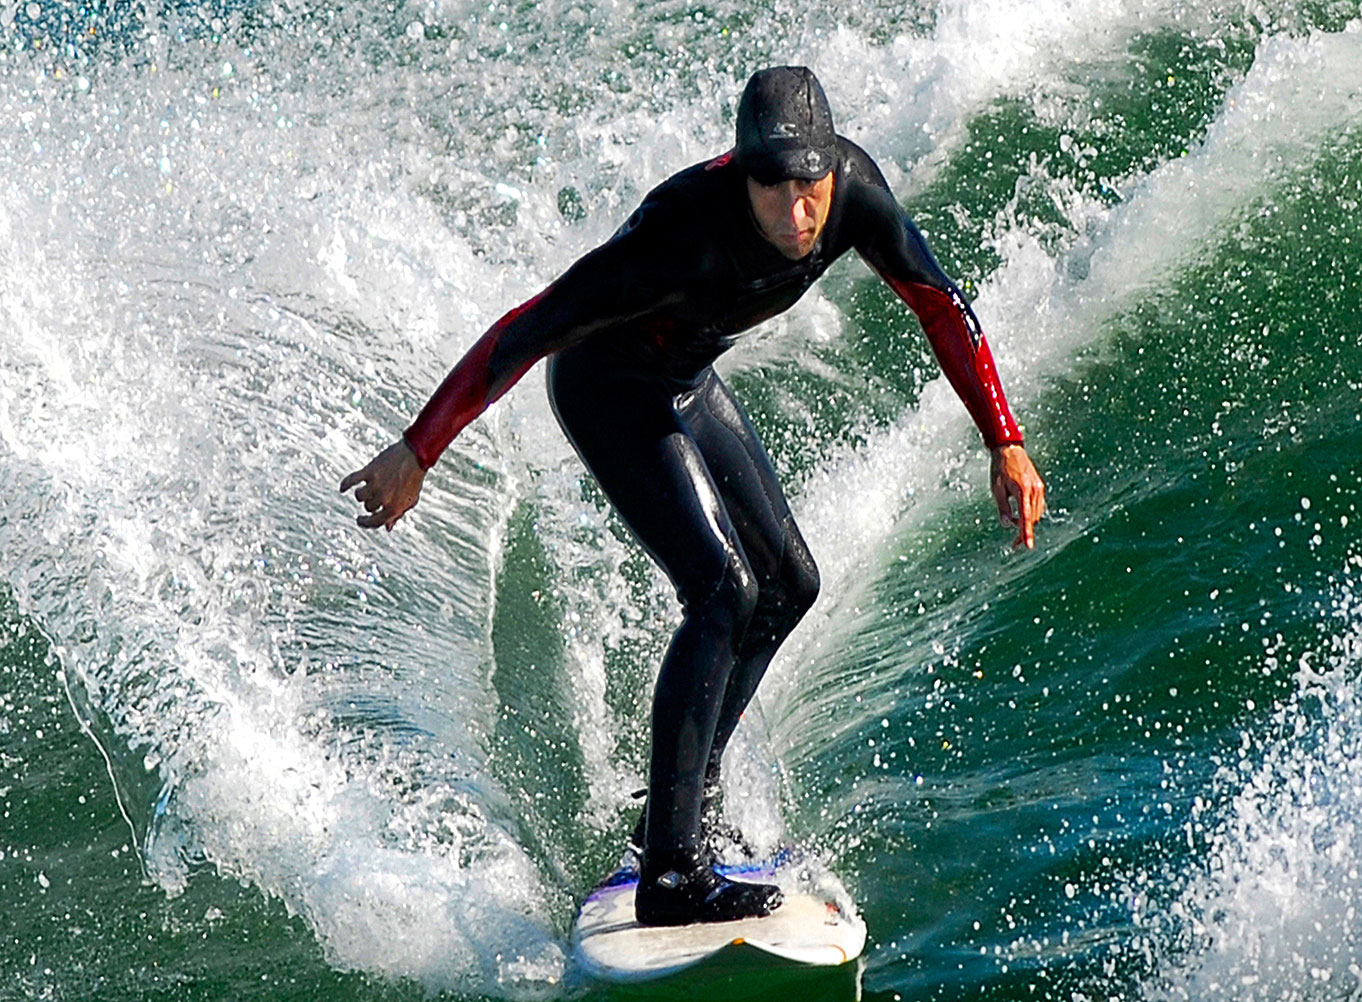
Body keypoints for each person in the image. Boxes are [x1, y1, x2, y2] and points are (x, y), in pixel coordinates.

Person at [340, 66, 1046, 927]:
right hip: (608, 388)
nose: (799, 216)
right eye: (775, 190)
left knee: (789, 584)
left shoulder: (852, 190)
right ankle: (671, 877)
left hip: (684, 376)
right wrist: (418, 450)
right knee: (722, 591)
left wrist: (1002, 438)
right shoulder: (675, 240)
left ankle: (672, 810)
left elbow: (939, 304)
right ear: (741, 172)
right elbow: (525, 330)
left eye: (811, 187)